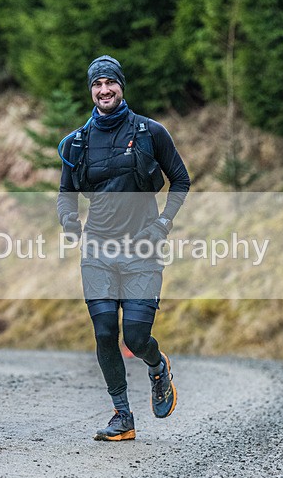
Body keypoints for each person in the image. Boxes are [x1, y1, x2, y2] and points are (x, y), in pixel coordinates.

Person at [57, 55, 190, 441]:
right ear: (91, 91)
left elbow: (180, 181)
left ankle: (156, 364)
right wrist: (68, 220)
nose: (104, 91)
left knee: (134, 337)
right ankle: (122, 415)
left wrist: (164, 222)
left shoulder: (150, 132)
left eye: (110, 83)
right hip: (97, 249)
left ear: (121, 86)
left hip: (141, 251)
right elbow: (66, 193)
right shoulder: (77, 142)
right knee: (103, 333)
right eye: (97, 85)